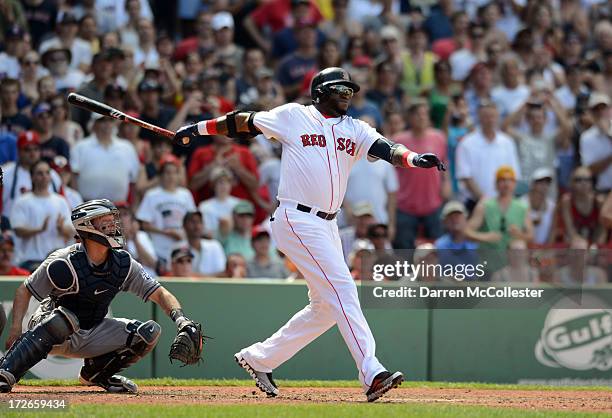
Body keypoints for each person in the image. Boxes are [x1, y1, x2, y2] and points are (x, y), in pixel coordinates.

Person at [173, 66, 445, 401]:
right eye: (339, 90)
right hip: (296, 217)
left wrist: (415, 158)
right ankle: (371, 371)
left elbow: (387, 149)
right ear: (320, 92)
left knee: (327, 307)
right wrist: (198, 129)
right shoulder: (293, 116)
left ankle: (260, 358)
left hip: (328, 224)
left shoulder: (355, 128)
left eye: (349, 91)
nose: (346, 96)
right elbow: (244, 121)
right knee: (344, 288)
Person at [0, 199, 202, 393]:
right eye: (103, 220)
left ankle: (95, 375)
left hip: (93, 330)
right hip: (51, 328)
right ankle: (6, 372)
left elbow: (159, 293)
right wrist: (16, 327)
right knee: (65, 318)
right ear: (86, 225)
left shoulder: (123, 263)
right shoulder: (63, 262)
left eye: (112, 218)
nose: (112, 224)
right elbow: (25, 290)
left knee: (149, 332)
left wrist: (181, 320)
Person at [393, 100, 450, 249]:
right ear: (410, 118)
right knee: (405, 251)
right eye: (418, 114)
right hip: (405, 205)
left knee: (437, 249)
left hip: (433, 203)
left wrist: (447, 183)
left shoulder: (438, 137)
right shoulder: (399, 141)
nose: (422, 117)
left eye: (425, 114)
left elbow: (444, 164)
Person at [10, 159, 74, 271]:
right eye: (40, 173)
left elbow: (71, 232)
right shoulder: (22, 201)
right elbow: (18, 231)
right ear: (32, 177)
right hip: (30, 260)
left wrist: (62, 229)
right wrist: (39, 229)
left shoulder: (61, 201)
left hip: (57, 259)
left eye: (47, 172)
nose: (44, 176)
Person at [136, 154, 196, 268]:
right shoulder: (152, 195)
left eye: (174, 172)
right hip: (159, 247)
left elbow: (192, 220)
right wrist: (166, 232)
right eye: (167, 172)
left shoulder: (185, 194)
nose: (171, 176)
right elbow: (144, 224)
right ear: (161, 175)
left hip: (182, 247)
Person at [70, 114, 140, 203]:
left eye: (110, 121)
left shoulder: (127, 147)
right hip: (88, 205)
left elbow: (134, 181)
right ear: (94, 124)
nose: (107, 124)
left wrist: (133, 205)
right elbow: (73, 178)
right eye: (102, 121)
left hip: (118, 207)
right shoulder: (80, 146)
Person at [1, 130, 62, 218]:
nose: (32, 153)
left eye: (36, 149)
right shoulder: (5, 173)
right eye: (27, 149)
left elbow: (62, 202)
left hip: (47, 228)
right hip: (12, 228)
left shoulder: (52, 174)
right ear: (18, 151)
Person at [183, 211, 226, 277]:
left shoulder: (215, 245)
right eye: (192, 222)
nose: (197, 226)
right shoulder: (178, 247)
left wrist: (195, 277)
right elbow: (176, 275)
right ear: (184, 225)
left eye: (199, 222)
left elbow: (222, 274)